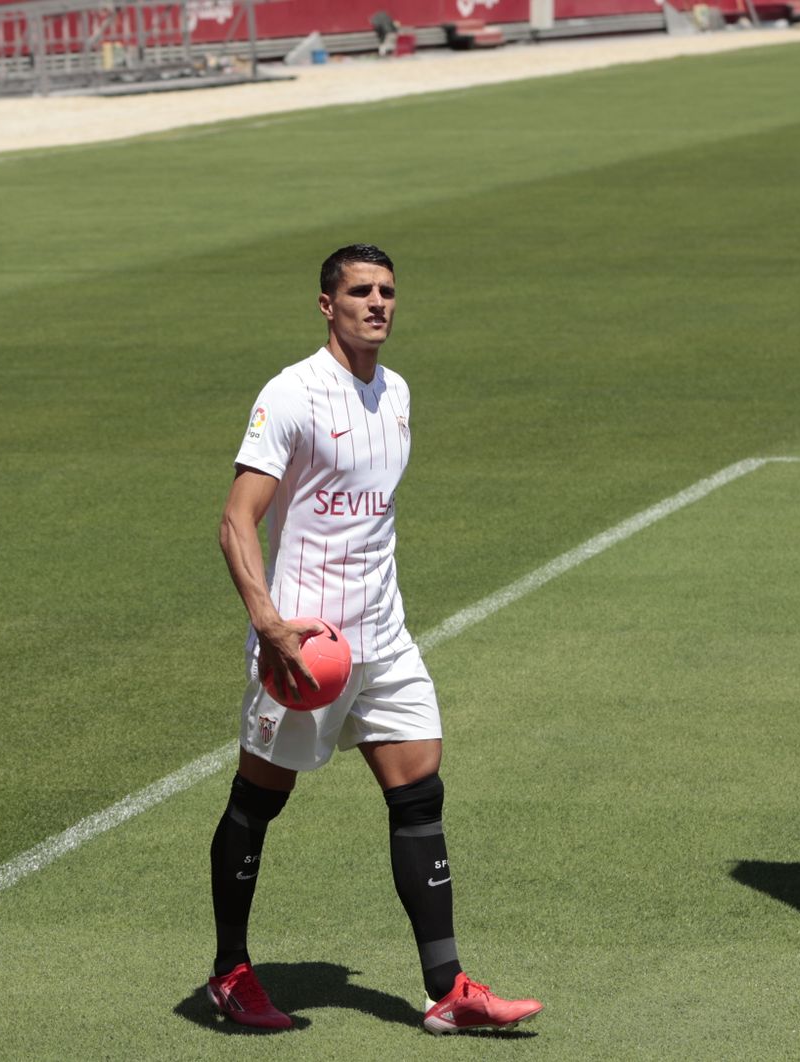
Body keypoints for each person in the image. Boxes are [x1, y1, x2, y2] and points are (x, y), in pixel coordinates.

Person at [205, 244, 542, 1035]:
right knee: (260, 799)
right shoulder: (291, 395)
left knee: (419, 790)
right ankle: (229, 973)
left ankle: (449, 989)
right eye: (360, 292)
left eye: (388, 291)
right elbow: (235, 521)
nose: (378, 303)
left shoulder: (396, 392)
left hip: (383, 634)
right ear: (327, 304)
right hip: (307, 648)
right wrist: (269, 624)